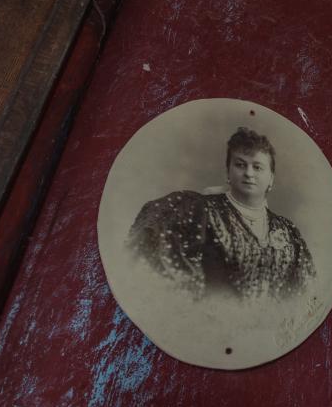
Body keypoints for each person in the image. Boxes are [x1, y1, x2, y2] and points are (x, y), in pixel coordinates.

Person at [128, 127, 315, 301]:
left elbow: (304, 293)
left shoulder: (287, 230)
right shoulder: (202, 210)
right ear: (228, 172)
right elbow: (154, 254)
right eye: (240, 165)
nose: (249, 173)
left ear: (271, 179)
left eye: (257, 167)